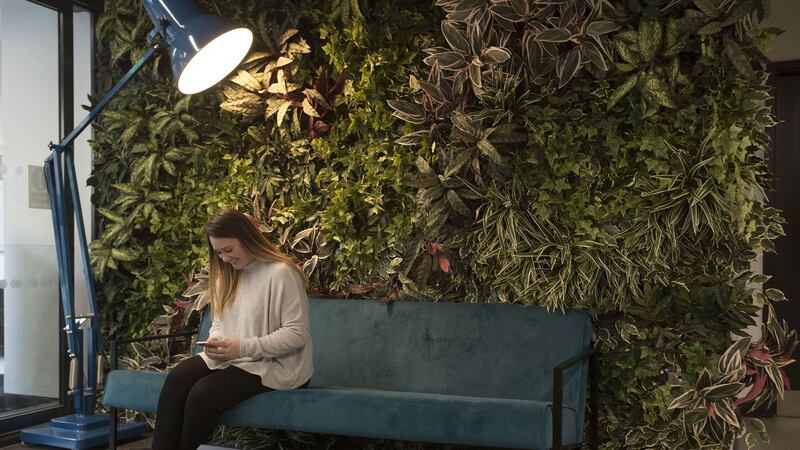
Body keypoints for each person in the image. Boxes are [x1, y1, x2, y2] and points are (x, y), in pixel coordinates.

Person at [149, 207, 313, 450]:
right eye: (218, 253)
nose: (224, 258)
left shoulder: (281, 273)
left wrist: (243, 347)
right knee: (178, 378)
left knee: (202, 395)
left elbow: (296, 334)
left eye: (228, 250)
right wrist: (216, 341)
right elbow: (219, 323)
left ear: (247, 238)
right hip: (237, 358)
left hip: (278, 366)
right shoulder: (226, 274)